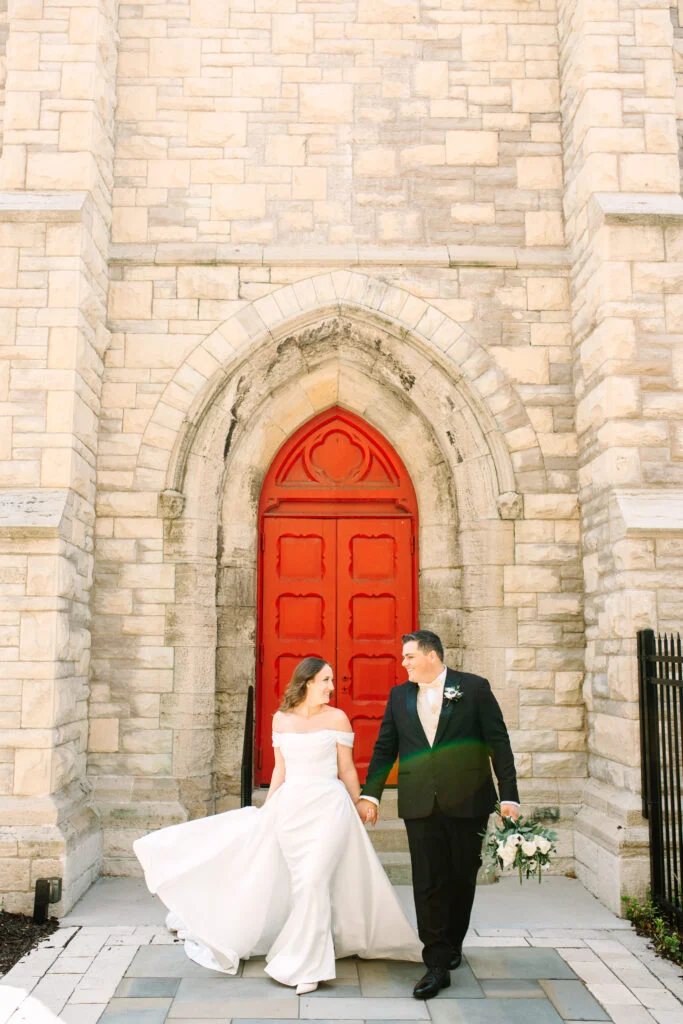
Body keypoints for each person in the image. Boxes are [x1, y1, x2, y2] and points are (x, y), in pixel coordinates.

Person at [134, 656, 421, 994]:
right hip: (291, 809)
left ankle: (308, 964)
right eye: (326, 680)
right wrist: (266, 810)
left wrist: (360, 801)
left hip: (329, 807)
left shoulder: (338, 718)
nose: (333, 686)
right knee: (302, 882)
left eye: (331, 680)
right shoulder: (281, 720)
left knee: (313, 879)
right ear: (307, 682)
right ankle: (303, 949)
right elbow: (280, 772)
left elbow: (345, 769)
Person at [356, 630, 520, 1001]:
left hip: (469, 801)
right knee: (427, 881)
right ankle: (435, 963)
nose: (404, 663)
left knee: (462, 878)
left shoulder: (474, 689)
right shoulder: (400, 696)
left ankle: (452, 943)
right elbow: (385, 748)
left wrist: (509, 796)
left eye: (409, 657)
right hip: (419, 802)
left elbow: (499, 742)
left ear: (431, 656)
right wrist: (371, 794)